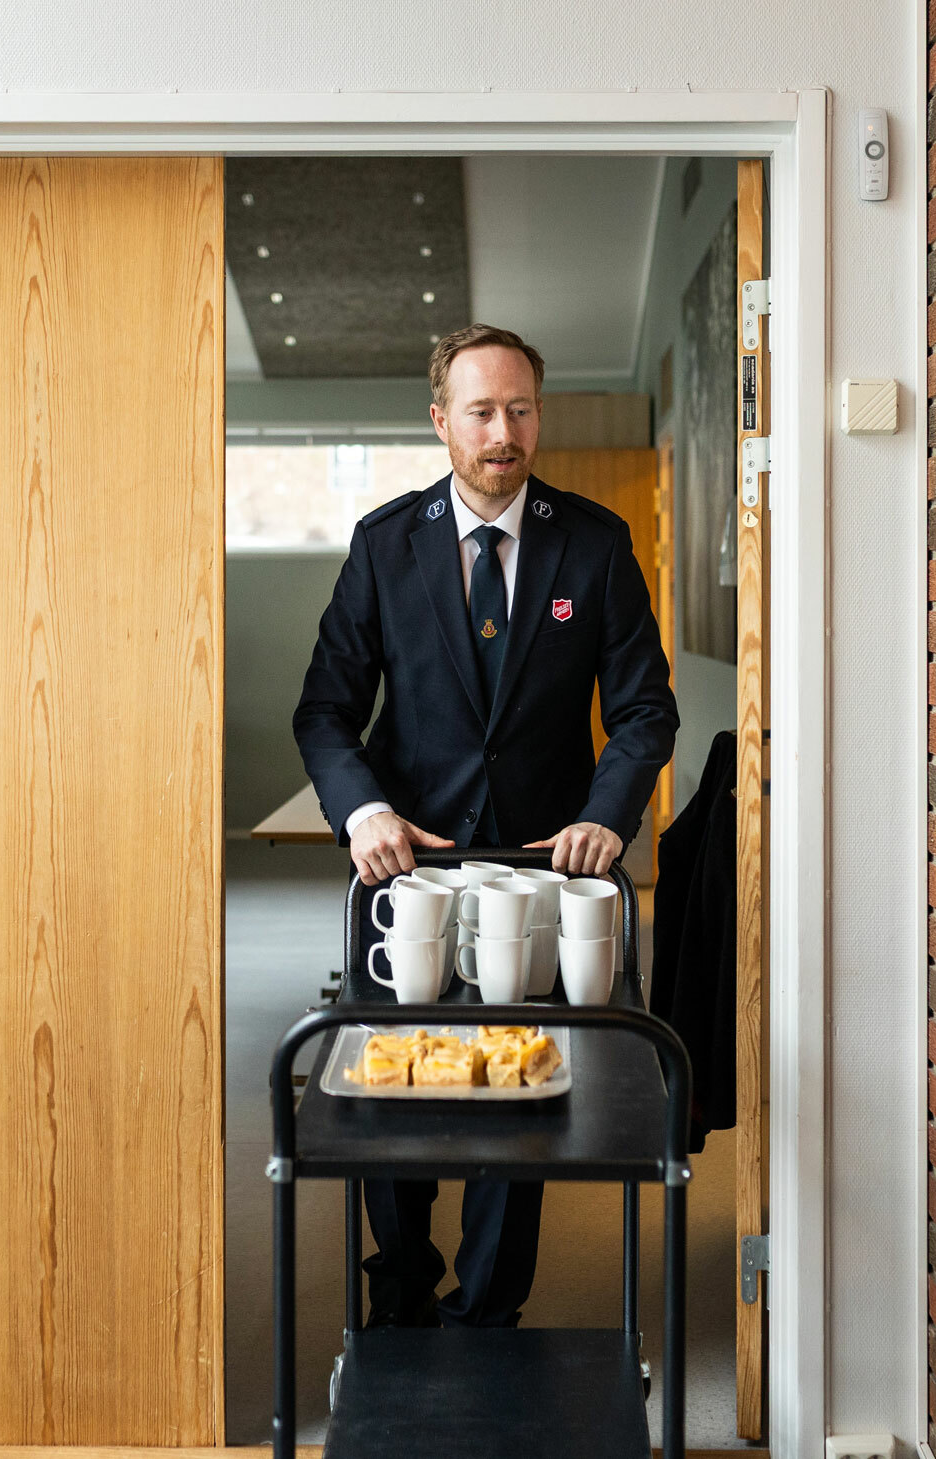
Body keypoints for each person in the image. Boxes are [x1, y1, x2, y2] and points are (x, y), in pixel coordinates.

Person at [293, 323, 678, 1328]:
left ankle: (489, 1310)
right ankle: (400, 1283)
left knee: (519, 1086)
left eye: (518, 409)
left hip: (535, 872)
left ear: (537, 416)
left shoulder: (594, 543)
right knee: (391, 1083)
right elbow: (324, 711)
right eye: (479, 412)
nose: (501, 432)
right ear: (441, 421)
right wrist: (362, 810)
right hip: (406, 868)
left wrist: (605, 814)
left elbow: (645, 710)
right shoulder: (384, 543)